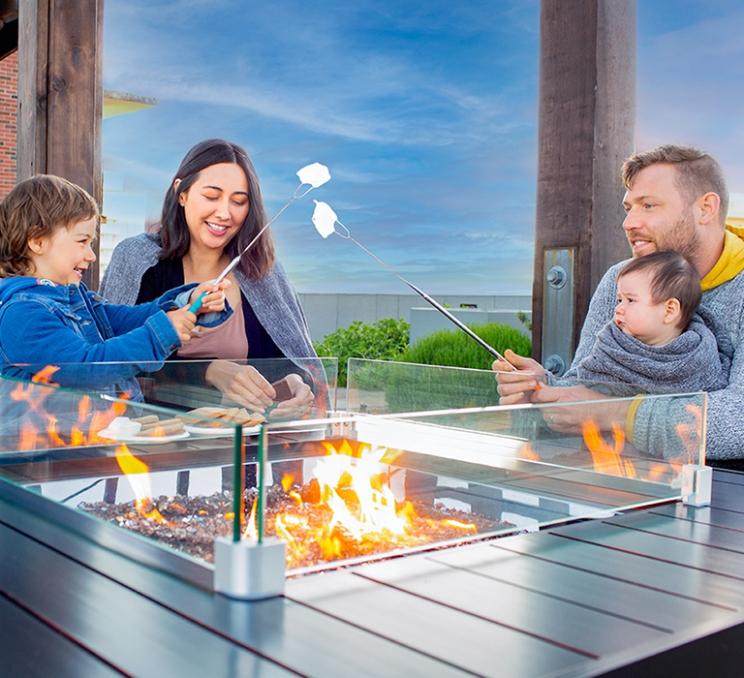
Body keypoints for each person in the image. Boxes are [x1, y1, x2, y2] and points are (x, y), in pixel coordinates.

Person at [495, 144, 744, 460]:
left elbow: (739, 422)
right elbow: (591, 387)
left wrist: (612, 413)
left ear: (705, 208)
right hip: (617, 481)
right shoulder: (620, 278)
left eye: (648, 206)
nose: (629, 223)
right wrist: (543, 390)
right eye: (629, 208)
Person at [101, 139, 317, 416]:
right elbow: (112, 358)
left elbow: (290, 359)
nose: (225, 213)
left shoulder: (262, 271)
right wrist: (208, 371)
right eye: (212, 196)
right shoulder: (137, 260)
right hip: (153, 441)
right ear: (182, 193)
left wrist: (297, 383)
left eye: (239, 201)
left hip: (242, 443)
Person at [0, 174, 230, 389]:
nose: (91, 255)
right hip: (50, 433)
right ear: (37, 242)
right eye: (82, 241)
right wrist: (161, 332)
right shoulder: (22, 313)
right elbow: (86, 369)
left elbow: (126, 320)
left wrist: (185, 302)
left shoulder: (75, 297)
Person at [575, 250, 729, 395]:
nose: (618, 309)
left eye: (630, 300)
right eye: (619, 300)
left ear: (669, 310)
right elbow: (583, 388)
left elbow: (710, 402)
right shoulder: (611, 347)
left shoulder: (699, 357)